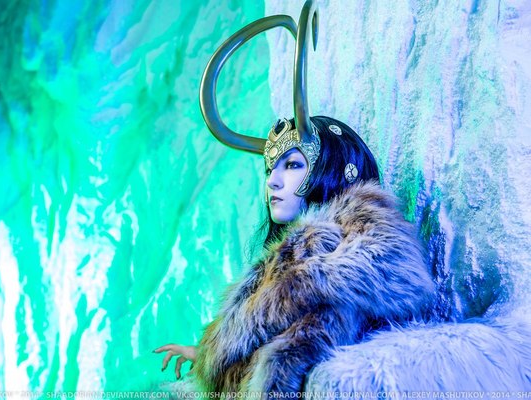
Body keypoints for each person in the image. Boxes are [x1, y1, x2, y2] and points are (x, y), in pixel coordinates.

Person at [156, 0, 435, 393]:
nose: (272, 181)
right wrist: (205, 353)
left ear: (326, 171)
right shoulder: (294, 264)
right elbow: (259, 334)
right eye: (271, 169)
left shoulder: (339, 270)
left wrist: (221, 355)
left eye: (291, 165)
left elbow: (286, 360)